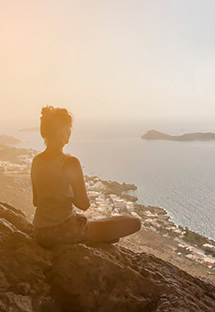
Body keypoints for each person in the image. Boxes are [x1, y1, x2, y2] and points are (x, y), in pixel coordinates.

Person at [31, 106, 141, 248]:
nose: (70, 132)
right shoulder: (69, 162)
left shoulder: (36, 161)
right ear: (63, 132)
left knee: (109, 235)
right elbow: (83, 205)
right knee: (134, 222)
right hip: (64, 231)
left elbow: (36, 201)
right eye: (69, 128)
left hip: (41, 233)